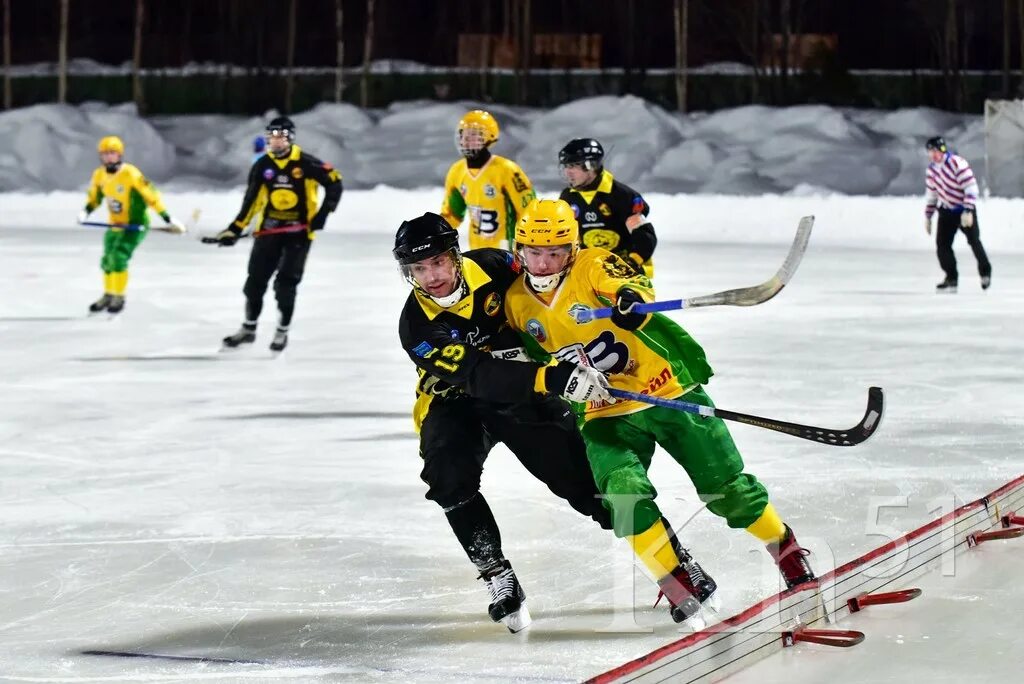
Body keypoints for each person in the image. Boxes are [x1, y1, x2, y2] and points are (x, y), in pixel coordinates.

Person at [503, 199, 815, 626]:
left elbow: (629, 284)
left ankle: (788, 552)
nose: (543, 263)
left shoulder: (593, 264)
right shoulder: (515, 302)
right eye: (534, 252)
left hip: (666, 387)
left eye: (554, 252)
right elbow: (536, 361)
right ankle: (677, 582)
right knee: (623, 496)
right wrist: (558, 380)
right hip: (603, 411)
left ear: (571, 249)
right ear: (519, 250)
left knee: (727, 488)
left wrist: (629, 300)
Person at [395, 212, 613, 633]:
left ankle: (672, 561)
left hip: (523, 394)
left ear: (455, 256)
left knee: (587, 485)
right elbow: (477, 374)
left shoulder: (497, 265)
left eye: (438, 262)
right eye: (419, 268)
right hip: (455, 402)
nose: (432, 276)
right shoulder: (416, 327)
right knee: (447, 476)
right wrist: (552, 377)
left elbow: (551, 286)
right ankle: (497, 573)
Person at [206, 116, 342, 352]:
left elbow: (335, 182)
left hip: (299, 235)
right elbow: (251, 200)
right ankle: (248, 330)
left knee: (285, 286)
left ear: (290, 138)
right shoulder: (263, 165)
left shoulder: (306, 163)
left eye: (280, 137)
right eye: (272, 137)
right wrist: (235, 228)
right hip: (268, 232)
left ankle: (282, 331)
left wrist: (322, 215)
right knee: (254, 284)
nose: (276, 141)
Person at [79, 136, 186, 315]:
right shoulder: (99, 174)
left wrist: (167, 218)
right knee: (107, 260)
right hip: (115, 225)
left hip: (134, 225)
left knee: (118, 257)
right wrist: (86, 211)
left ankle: (119, 296)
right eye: (105, 154)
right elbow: (95, 197)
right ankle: (109, 294)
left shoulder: (130, 173)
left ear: (119, 154)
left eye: (112, 153)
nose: (108, 157)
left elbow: (151, 196)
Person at [558, 138, 657, 278]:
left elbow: (645, 235)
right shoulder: (568, 197)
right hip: (591, 272)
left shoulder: (622, 195)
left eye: (573, 165)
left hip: (627, 272)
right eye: (566, 166)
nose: (568, 172)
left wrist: (632, 262)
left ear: (591, 165)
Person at [440, 109, 536, 250]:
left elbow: (529, 212)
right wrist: (434, 230)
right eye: (463, 135)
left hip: (506, 251)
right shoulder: (457, 171)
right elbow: (452, 215)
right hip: (476, 251)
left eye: (473, 135)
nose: (465, 141)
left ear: (488, 137)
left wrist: (527, 248)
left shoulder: (507, 170)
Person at [924, 136, 991, 292]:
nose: (933, 155)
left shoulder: (957, 163)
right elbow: (932, 194)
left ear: (942, 150)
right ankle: (951, 278)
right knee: (942, 246)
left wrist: (968, 209)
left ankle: (985, 273)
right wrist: (928, 216)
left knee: (974, 241)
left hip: (963, 210)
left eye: (935, 151)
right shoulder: (931, 170)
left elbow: (971, 187)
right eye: (930, 152)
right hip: (946, 211)